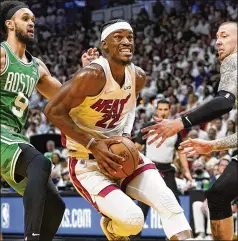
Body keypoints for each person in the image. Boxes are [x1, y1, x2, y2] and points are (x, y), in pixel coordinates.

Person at [45, 19, 193, 240]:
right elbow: (52, 111)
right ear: (104, 45)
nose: (126, 42)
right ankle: (113, 229)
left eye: (130, 37)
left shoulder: (138, 77)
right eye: (119, 37)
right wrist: (94, 145)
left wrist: (125, 136)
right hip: (88, 163)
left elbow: (129, 109)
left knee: (170, 204)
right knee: (133, 221)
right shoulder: (92, 75)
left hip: (121, 153)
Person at [0, 1, 97, 240]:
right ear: (9, 24)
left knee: (55, 207)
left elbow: (64, 95)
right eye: (25, 18)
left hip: (14, 138)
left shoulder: (37, 67)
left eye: (33, 19)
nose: (31, 23)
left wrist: (84, 74)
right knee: (41, 163)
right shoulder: (2, 54)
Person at [141, 21, 237, 241]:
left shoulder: (233, 60)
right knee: (218, 194)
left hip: (166, 170)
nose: (218, 41)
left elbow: (223, 102)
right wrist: (213, 146)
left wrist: (180, 122)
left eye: (225, 36)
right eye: (217, 37)